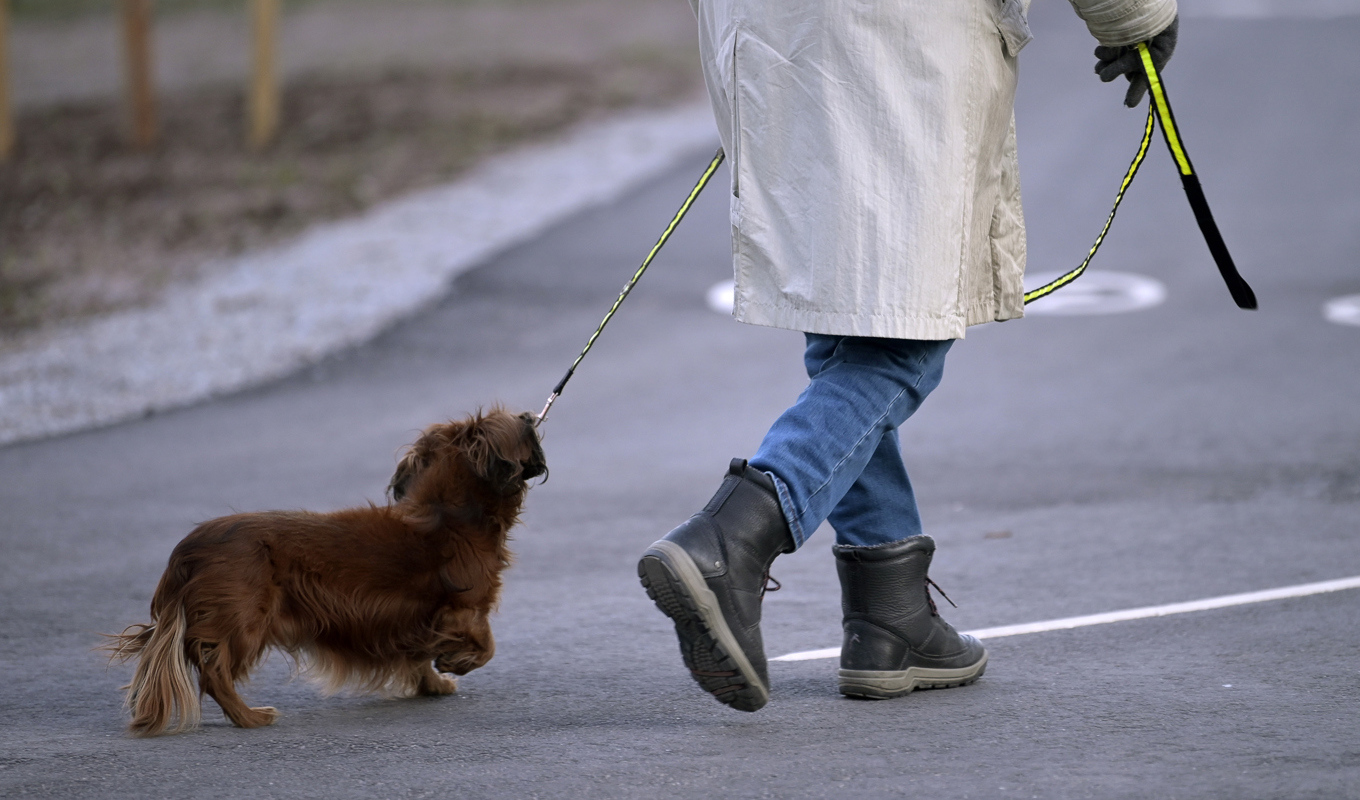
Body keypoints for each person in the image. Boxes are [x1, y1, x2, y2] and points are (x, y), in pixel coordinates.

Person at [636, 0, 1181, 712]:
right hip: (896, 33)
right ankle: (734, 535)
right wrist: (1135, 15)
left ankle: (888, 615)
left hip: (761, 26)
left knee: (853, 302)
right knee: (904, 336)